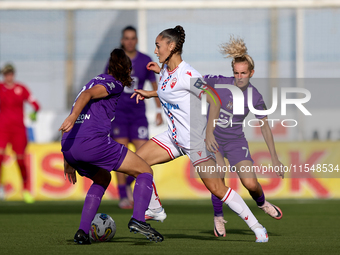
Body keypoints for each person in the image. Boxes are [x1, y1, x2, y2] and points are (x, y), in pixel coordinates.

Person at [132, 26, 269, 242]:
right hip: (173, 137)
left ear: (172, 46)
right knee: (135, 162)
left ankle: (257, 227)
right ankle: (155, 208)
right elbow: (170, 88)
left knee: (218, 189)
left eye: (158, 46)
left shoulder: (189, 74)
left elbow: (213, 98)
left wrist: (209, 133)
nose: (156, 50)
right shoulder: (166, 69)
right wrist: (151, 93)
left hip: (195, 142)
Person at [59, 49, 163, 244]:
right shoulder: (113, 83)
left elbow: (83, 103)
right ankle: (139, 220)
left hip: (70, 145)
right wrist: (72, 116)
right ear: (125, 69)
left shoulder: (93, 80)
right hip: (92, 143)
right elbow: (88, 96)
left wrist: (67, 158)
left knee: (103, 177)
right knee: (144, 171)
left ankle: (82, 231)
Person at [203, 36, 284, 237]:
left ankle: (262, 203)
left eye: (244, 73)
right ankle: (218, 217)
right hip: (213, 138)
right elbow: (189, 79)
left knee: (250, 184)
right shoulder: (219, 82)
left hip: (235, 141)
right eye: (236, 73)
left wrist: (274, 158)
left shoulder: (255, 96)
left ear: (251, 73)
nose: (239, 77)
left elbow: (264, 127)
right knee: (219, 173)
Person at [104, 26, 163, 209]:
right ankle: (122, 195)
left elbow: (155, 85)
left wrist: (159, 110)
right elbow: (106, 84)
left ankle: (129, 186)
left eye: (132, 38)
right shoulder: (115, 61)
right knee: (120, 154)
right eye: (126, 38)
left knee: (142, 157)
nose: (129, 41)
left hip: (138, 114)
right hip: (119, 114)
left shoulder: (145, 60)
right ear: (122, 41)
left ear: (136, 40)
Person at [0, 63, 40, 203]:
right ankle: (1, 188)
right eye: (5, 74)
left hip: (18, 130)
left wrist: (34, 112)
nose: (8, 76)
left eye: (10, 73)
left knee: (20, 160)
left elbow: (35, 103)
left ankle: (26, 190)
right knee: (0, 155)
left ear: (13, 74)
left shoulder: (21, 88)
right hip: (3, 129)